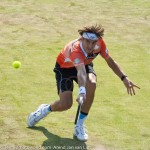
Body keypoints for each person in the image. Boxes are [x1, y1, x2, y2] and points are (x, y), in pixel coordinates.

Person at [27, 24, 140, 142]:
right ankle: (45, 110)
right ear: (82, 39)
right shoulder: (75, 49)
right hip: (64, 68)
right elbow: (80, 72)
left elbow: (110, 60)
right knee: (66, 104)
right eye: (88, 42)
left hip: (85, 64)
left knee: (92, 83)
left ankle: (79, 124)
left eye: (94, 42)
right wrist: (82, 91)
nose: (91, 46)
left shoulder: (100, 43)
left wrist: (124, 78)